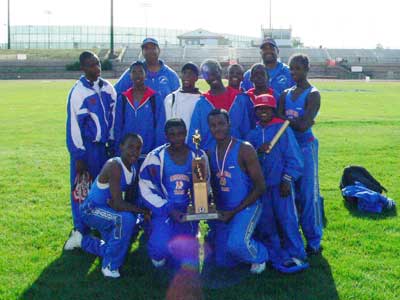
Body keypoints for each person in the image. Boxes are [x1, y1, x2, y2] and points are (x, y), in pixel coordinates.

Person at [64, 133, 150, 278]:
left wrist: (137, 212)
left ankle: (82, 240)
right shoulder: (114, 165)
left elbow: (122, 201)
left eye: (138, 148)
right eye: (130, 147)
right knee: (126, 220)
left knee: (118, 243)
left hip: (106, 210)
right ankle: (109, 266)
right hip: (91, 209)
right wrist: (141, 211)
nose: (134, 151)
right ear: (121, 146)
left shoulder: (133, 169)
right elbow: (118, 203)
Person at [246, 94, 309, 273]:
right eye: (259, 108)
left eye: (267, 108)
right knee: (266, 223)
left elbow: (295, 159)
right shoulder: (253, 134)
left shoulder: (283, 129)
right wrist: (257, 151)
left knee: (288, 220)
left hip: (280, 186)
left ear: (273, 110)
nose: (263, 111)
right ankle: (274, 253)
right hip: (261, 188)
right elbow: (247, 162)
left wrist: (287, 180)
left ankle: (297, 253)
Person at [139, 119, 207, 268]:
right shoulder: (155, 157)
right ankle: (157, 242)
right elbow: (145, 187)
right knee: (160, 249)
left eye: (180, 134)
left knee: (187, 258)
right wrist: (168, 209)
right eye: (172, 135)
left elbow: (204, 186)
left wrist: (197, 205)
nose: (177, 138)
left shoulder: (197, 155)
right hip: (164, 209)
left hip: (187, 211)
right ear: (166, 136)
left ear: (186, 134)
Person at [207, 109, 268, 274]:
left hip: (247, 207)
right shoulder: (209, 151)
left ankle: (261, 254)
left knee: (236, 245)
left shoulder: (244, 149)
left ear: (229, 124)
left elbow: (260, 187)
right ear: (209, 128)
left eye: (221, 123)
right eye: (213, 125)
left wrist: (234, 212)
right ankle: (240, 239)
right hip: (225, 211)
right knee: (222, 261)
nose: (217, 128)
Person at [65, 51, 116, 246]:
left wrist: (111, 142)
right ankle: (80, 230)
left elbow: (112, 118)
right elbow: (74, 126)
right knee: (81, 188)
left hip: (103, 148)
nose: (96, 68)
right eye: (91, 65)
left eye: (97, 63)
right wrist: (78, 155)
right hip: (86, 149)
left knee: (102, 188)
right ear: (83, 68)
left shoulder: (108, 88)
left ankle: (101, 225)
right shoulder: (78, 91)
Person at [277, 54, 323, 255]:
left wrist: (287, 121)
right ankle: (293, 239)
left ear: (306, 69)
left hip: (306, 148)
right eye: (291, 69)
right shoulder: (285, 93)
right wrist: (296, 121)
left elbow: (304, 127)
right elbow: (286, 120)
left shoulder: (313, 94)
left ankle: (313, 240)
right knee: (289, 195)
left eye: (297, 68)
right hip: (288, 150)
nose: (294, 72)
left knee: (308, 195)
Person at [188, 59, 251, 151]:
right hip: (211, 156)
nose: (212, 77)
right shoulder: (201, 103)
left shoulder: (239, 98)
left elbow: (247, 130)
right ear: (204, 78)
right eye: (207, 75)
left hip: (237, 155)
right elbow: (194, 133)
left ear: (220, 71)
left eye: (214, 72)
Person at [113, 60, 166, 159]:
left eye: (140, 72)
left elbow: (160, 126)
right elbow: (117, 127)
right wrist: (118, 149)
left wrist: (157, 152)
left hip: (148, 153)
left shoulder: (154, 98)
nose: (137, 75)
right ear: (130, 75)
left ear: (146, 75)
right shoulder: (123, 98)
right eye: (134, 72)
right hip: (126, 154)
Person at [114, 37, 180, 101]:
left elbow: (178, 100)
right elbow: (115, 93)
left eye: (153, 48)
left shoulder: (171, 75)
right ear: (142, 52)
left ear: (159, 50)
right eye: (146, 48)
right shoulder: (133, 72)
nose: (150, 51)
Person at [164, 62, 201, 138]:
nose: (186, 76)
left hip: (194, 143)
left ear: (196, 78)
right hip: (174, 144)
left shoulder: (202, 99)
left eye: (190, 73)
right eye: (184, 73)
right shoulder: (171, 98)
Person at [245, 63, 274, 128]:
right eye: (256, 74)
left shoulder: (276, 97)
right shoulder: (245, 98)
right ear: (251, 78)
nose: (259, 77)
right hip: (250, 136)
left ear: (268, 77)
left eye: (262, 74)